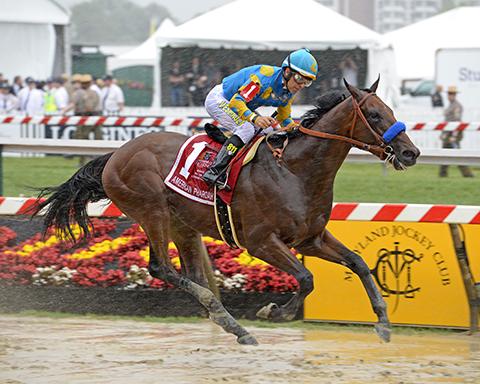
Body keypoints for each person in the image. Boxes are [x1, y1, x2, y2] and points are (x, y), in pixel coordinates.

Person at [202, 48, 318, 188]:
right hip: (221, 99)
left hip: (241, 104)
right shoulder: (263, 78)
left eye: (307, 82)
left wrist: (296, 129)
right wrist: (254, 118)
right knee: (246, 128)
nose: (301, 85)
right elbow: (236, 102)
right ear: (287, 72)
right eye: (299, 79)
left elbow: (284, 118)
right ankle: (214, 171)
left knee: (267, 131)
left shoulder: (289, 91)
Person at [439, 86, 474, 178]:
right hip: (447, 134)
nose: (450, 95)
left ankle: (468, 174)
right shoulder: (450, 105)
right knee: (444, 154)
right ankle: (443, 174)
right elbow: (447, 122)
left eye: (452, 94)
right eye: (449, 94)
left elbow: (457, 121)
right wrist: (443, 134)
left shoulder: (457, 106)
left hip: (453, 134)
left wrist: (454, 136)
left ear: (455, 95)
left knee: (458, 155)